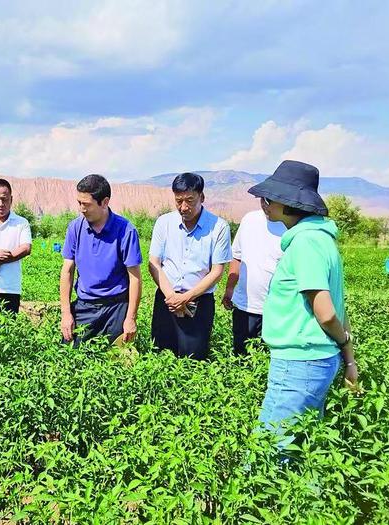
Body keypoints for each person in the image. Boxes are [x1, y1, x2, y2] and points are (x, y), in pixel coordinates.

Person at [248, 160, 357, 441]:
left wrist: (344, 344)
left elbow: (327, 313)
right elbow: (339, 310)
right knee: (304, 447)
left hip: (300, 364)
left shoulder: (306, 243)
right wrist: (348, 361)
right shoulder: (321, 240)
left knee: (270, 450)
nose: (264, 203)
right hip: (314, 361)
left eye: (270, 198)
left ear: (288, 204)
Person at [148, 172, 232, 360]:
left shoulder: (219, 227)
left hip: (199, 302)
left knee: (194, 359)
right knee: (161, 354)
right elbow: (154, 263)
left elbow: (217, 271)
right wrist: (172, 297)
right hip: (166, 300)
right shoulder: (164, 222)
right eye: (178, 201)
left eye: (190, 201)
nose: (184, 207)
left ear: (202, 197)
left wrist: (185, 298)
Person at [60, 174, 143, 346]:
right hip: (85, 305)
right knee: (69, 352)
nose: (82, 209)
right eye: (79, 203)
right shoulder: (75, 228)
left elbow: (135, 278)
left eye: (87, 204)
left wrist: (130, 318)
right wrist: (66, 313)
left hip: (116, 307)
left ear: (105, 202)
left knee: (116, 361)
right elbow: (67, 271)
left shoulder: (126, 231)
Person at [222, 209, 286, 354]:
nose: (265, 204)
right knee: (241, 357)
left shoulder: (290, 225)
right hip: (245, 307)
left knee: (271, 358)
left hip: (278, 310)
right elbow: (237, 256)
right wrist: (229, 288)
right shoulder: (249, 219)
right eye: (263, 199)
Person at [0, 179, 32, 314]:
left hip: (10, 288)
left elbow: (25, 248)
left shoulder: (21, 222)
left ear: (11, 199)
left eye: (5, 199)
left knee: (8, 329)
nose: (1, 204)